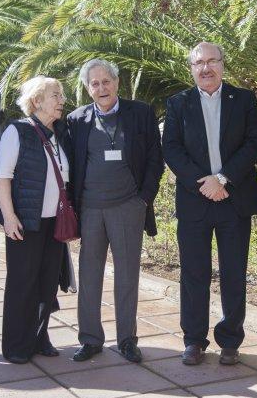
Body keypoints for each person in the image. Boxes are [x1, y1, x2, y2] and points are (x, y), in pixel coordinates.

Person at [162, 42, 257, 366]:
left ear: (223, 63)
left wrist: (222, 179)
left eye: (211, 61)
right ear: (191, 68)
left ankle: (231, 340)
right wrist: (204, 183)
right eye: (198, 63)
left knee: (234, 273)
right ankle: (194, 340)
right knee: (194, 273)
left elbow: (254, 142)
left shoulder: (244, 100)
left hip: (233, 199)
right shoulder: (178, 103)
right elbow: (172, 149)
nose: (205, 68)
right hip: (196, 201)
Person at [67, 59, 164, 363]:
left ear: (117, 82)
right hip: (91, 209)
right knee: (90, 274)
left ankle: (127, 339)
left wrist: (143, 199)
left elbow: (154, 159)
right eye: (94, 84)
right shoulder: (76, 120)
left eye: (106, 81)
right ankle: (90, 339)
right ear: (87, 89)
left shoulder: (140, 113)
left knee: (127, 276)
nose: (101, 88)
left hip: (128, 207)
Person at [0, 76, 71, 364]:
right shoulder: (18, 131)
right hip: (25, 222)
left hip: (55, 223)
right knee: (22, 284)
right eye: (55, 95)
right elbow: (2, 176)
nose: (61, 99)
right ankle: (16, 345)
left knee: (47, 285)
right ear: (37, 101)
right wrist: (9, 218)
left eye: (61, 94)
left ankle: (40, 337)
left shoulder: (60, 133)